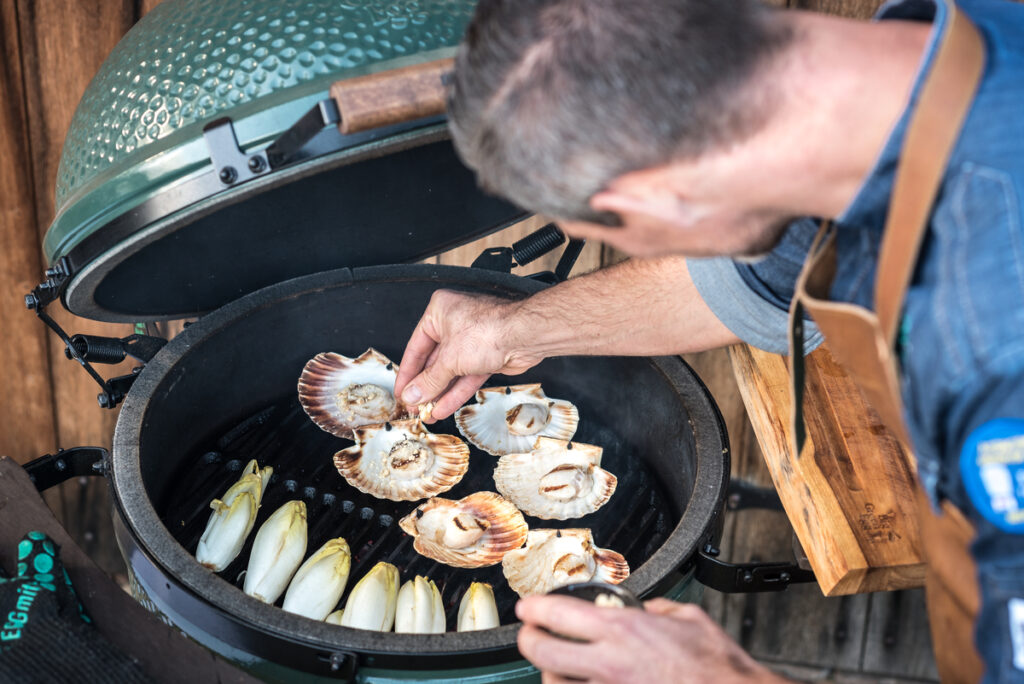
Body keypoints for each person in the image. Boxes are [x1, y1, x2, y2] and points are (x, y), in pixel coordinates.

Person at [393, 0, 1024, 681]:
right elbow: (746, 285)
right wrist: (510, 330)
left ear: (653, 197)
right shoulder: (893, 78)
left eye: (610, 232)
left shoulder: (990, 349)